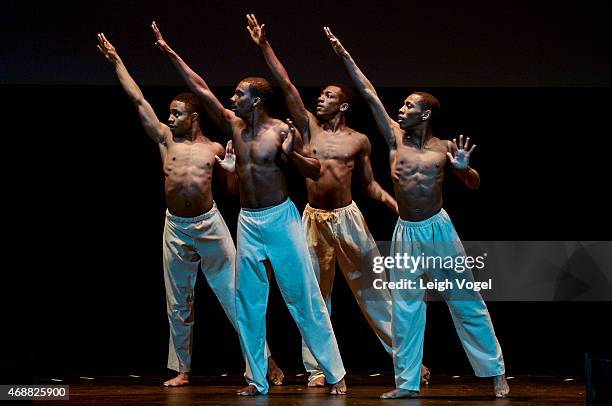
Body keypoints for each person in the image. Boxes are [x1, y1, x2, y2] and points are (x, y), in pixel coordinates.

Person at [152, 22, 347, 396]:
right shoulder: (234, 127)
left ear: (256, 100)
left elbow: (316, 169)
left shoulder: (280, 130)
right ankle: (257, 378)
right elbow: (201, 89)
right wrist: (171, 53)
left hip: (281, 219)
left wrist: (292, 155)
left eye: (239, 94)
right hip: (248, 221)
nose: (232, 97)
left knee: (302, 295)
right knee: (249, 302)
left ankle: (334, 372)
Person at [245, 14, 430, 387]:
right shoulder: (308, 126)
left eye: (329, 96)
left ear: (343, 106)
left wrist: (400, 207)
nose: (321, 98)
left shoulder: (359, 140)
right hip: (312, 218)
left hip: (348, 218)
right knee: (314, 295)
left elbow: (371, 185)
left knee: (375, 291)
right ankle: (318, 367)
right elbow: (286, 84)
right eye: (322, 95)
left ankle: (408, 361)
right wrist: (264, 46)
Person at [324, 27, 509, 399]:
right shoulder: (393, 138)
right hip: (406, 232)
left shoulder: (443, 148)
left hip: (439, 231)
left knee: (464, 299)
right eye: (402, 106)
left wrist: (464, 169)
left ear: (425, 115)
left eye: (409, 107)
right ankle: (406, 384)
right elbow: (368, 92)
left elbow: (473, 184)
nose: (401, 110)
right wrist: (344, 55)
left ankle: (496, 372)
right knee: (406, 310)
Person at [96, 32, 283, 388]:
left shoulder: (215, 147)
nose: (170, 118)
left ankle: (262, 362)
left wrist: (232, 167)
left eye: (176, 114)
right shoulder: (166, 141)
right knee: (178, 301)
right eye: (169, 114)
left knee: (235, 295)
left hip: (209, 224)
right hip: (176, 226)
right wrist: (117, 61)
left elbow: (234, 188)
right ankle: (182, 368)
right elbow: (137, 101)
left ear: (194, 117)